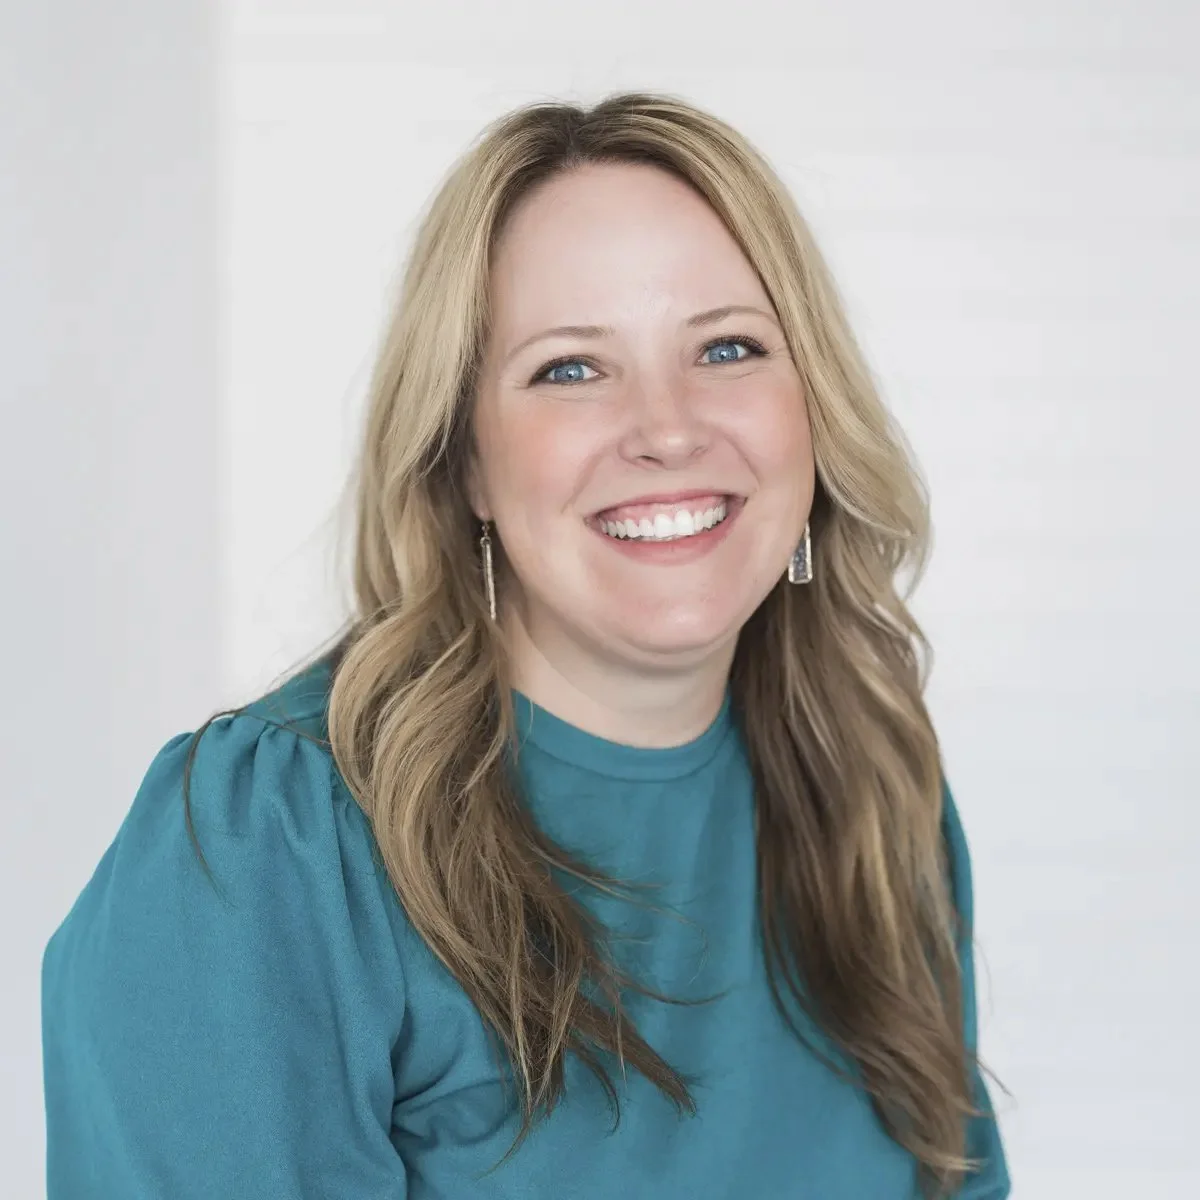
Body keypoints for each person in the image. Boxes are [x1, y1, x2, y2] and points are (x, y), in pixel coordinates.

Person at [41, 91, 1012, 1199]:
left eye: (728, 348)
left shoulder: (871, 791)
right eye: (571, 368)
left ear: (815, 412)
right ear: (466, 462)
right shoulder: (274, 847)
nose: (669, 429)